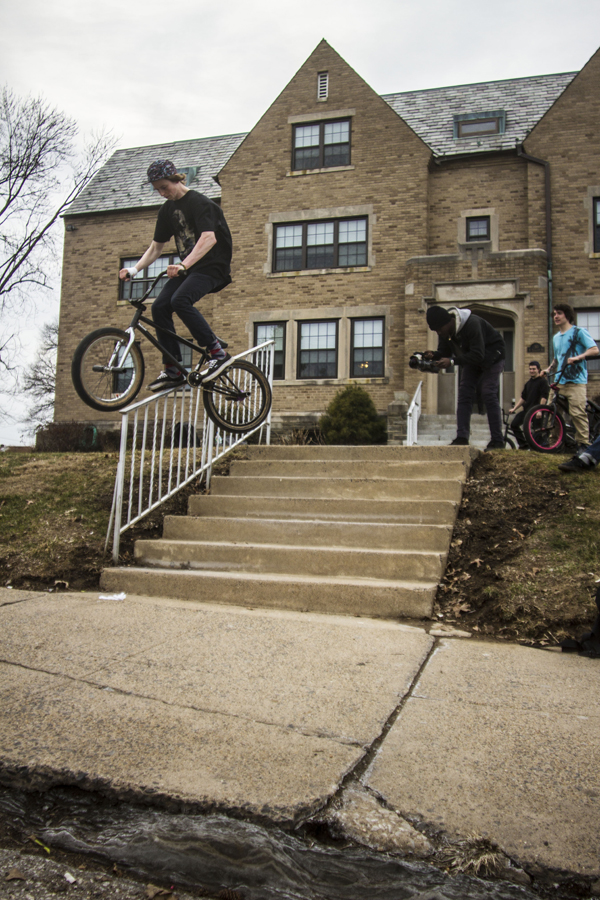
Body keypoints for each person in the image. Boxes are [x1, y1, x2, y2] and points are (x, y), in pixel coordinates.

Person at [119, 159, 233, 391]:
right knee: (160, 307)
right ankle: (172, 369)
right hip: (188, 268)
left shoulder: (201, 203)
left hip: (212, 266)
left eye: (164, 187)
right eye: (157, 190)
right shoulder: (167, 210)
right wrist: (134, 269)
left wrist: (183, 264)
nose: (162, 193)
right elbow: (156, 247)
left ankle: (217, 352)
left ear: (176, 179)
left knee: (180, 300)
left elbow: (209, 238)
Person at [425, 305, 506, 450]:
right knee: (464, 394)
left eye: (439, 329)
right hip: (472, 359)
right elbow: (444, 351)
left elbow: (478, 354)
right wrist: (433, 355)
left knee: (488, 392)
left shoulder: (472, 324)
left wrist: (452, 361)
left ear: (448, 322)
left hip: (493, 356)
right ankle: (462, 437)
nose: (438, 333)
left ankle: (497, 441)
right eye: (435, 330)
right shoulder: (445, 333)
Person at [542, 304, 599, 449]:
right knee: (552, 412)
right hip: (559, 381)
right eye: (554, 314)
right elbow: (557, 359)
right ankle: (553, 444)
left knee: (577, 413)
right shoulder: (556, 338)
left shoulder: (579, 332)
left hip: (576, 381)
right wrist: (548, 369)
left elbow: (594, 350)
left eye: (559, 313)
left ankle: (583, 445)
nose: (556, 316)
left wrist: (578, 357)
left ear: (567, 315)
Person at [508, 361, 549, 449]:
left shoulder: (543, 382)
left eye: (534, 369)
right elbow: (523, 398)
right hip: (527, 411)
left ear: (538, 369)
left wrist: (540, 410)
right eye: (530, 369)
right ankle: (523, 445)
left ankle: (538, 449)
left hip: (536, 411)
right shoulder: (528, 383)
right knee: (514, 424)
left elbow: (544, 397)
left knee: (537, 432)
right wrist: (514, 408)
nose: (531, 371)